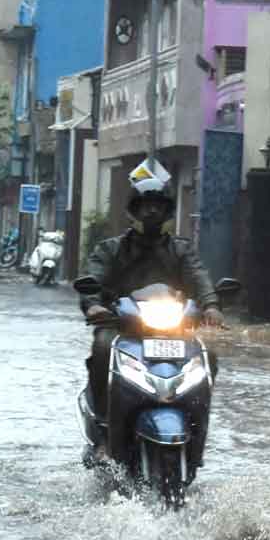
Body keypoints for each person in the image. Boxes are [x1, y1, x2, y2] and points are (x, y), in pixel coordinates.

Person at [78, 178, 221, 423]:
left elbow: (199, 276)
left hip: (174, 328)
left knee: (209, 355)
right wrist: (94, 305)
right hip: (122, 326)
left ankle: (196, 423)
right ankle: (103, 422)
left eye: (158, 206)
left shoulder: (181, 250)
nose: (152, 211)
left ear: (167, 211)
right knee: (103, 347)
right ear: (134, 210)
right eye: (146, 205)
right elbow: (94, 279)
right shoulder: (111, 249)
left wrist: (211, 305)